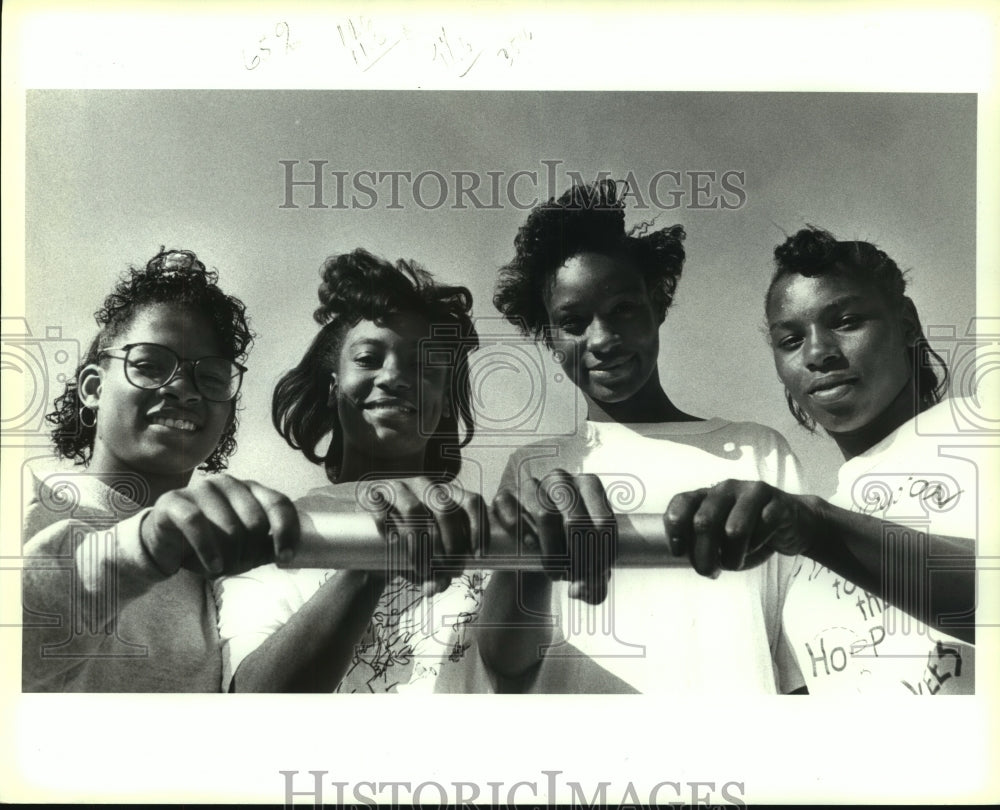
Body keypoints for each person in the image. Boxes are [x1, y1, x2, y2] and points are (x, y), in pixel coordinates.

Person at [453, 180, 806, 694]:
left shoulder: (760, 453)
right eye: (573, 322)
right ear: (549, 338)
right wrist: (531, 560)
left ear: (657, 306)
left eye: (622, 309)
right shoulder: (534, 468)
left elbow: (793, 659)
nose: (601, 339)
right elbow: (505, 663)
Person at [665, 225, 982, 694]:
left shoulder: (980, 429)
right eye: (790, 341)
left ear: (908, 323)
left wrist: (818, 527)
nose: (818, 353)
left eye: (847, 321)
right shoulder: (804, 539)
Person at [22, 248, 298, 692]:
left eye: (211, 377)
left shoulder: (230, 572)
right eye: (150, 364)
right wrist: (145, 543)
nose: (182, 389)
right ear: (92, 388)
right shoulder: (23, 502)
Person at [214, 249, 484, 692]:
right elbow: (252, 702)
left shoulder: (490, 536)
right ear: (332, 383)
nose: (395, 376)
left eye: (424, 366)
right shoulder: (279, 531)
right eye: (367, 359)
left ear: (444, 399)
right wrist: (373, 559)